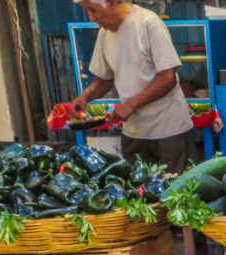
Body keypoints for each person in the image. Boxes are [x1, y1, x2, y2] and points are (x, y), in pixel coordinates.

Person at [69, 0, 194, 173]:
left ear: (111, 2)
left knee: (175, 193)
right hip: (133, 134)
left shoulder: (148, 23)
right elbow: (105, 80)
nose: (91, 18)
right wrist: (85, 97)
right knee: (138, 194)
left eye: (92, 10)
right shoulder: (105, 34)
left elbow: (167, 78)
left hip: (168, 132)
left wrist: (131, 104)